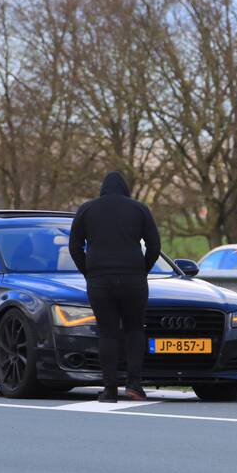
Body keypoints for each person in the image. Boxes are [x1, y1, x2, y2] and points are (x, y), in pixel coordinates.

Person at [68, 171, 161, 403]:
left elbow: (74, 246)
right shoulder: (139, 209)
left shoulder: (87, 210)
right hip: (133, 279)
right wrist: (142, 270)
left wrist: (88, 272)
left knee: (107, 332)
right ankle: (135, 385)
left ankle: (109, 390)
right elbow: (154, 246)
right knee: (135, 330)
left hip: (100, 280)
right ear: (125, 189)